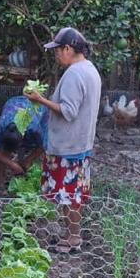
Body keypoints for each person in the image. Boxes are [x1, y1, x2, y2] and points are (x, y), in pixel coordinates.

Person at [24, 27, 101, 254]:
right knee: (73, 194)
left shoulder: (75, 74)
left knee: (70, 196)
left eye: (58, 50)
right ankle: (71, 235)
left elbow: (68, 111)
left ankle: (73, 238)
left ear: (68, 49)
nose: (56, 55)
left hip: (68, 147)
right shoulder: (90, 70)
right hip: (80, 144)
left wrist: (40, 100)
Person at [0, 96, 48, 189]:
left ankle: (22, 175)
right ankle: (0, 184)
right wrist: (11, 164)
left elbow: (43, 146)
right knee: (4, 151)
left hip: (39, 108)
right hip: (12, 103)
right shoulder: (2, 126)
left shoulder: (35, 128)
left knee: (38, 146)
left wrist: (28, 160)